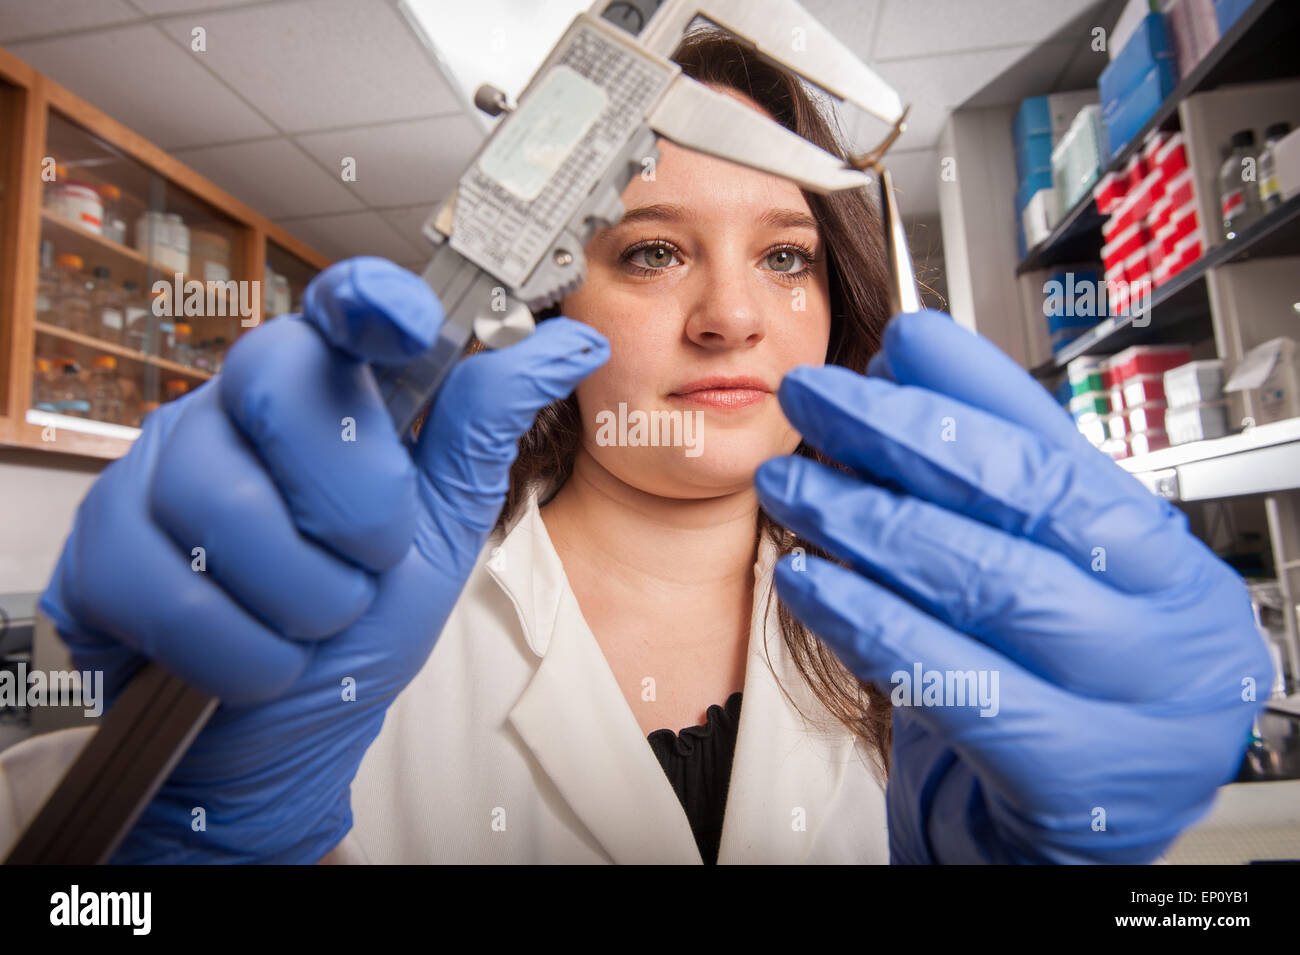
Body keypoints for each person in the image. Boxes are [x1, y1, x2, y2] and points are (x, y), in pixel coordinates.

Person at [0, 30, 1270, 865]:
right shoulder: (347, 625)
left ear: (835, 297)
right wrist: (174, 833)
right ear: (550, 294)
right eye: (653, 250)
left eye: (785, 254)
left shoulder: (965, 634)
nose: (731, 316)